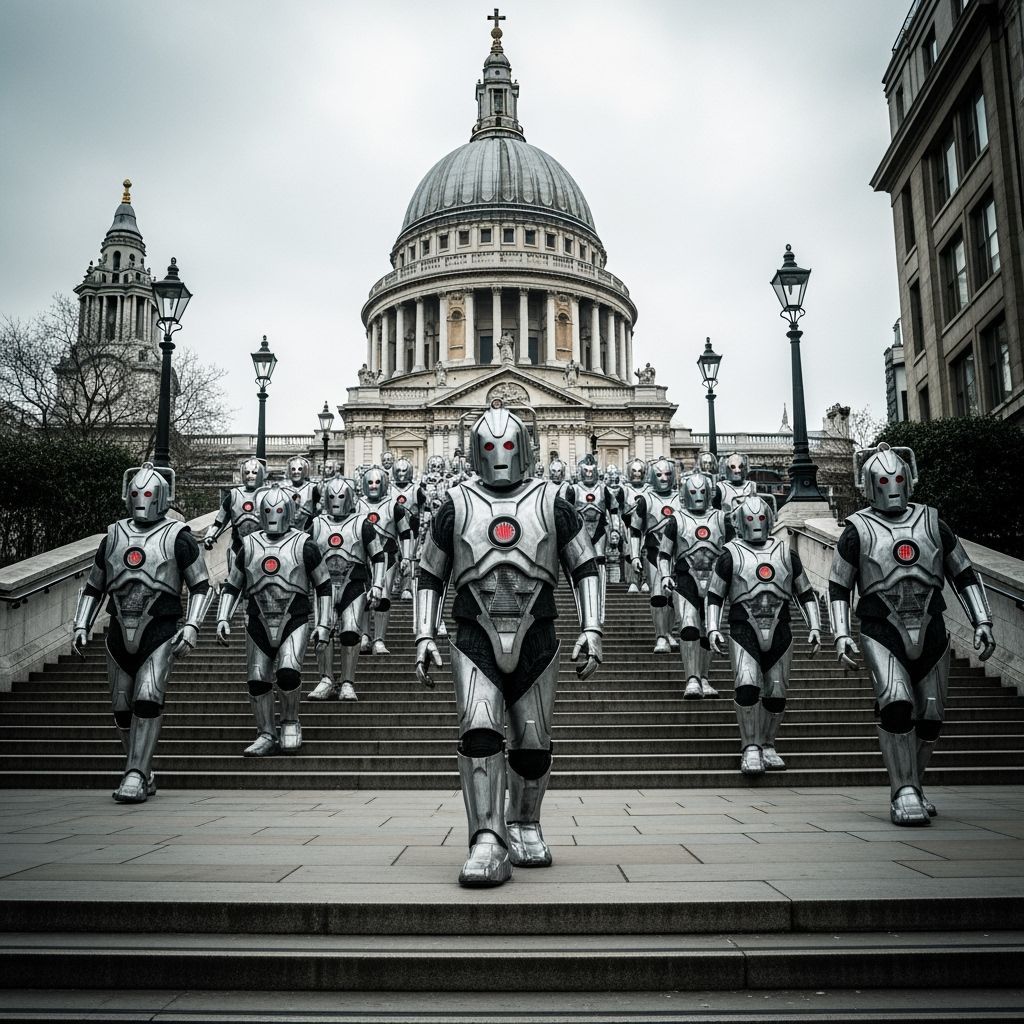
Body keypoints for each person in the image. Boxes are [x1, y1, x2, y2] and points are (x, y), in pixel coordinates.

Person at [414, 400, 602, 887]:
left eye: (509, 444)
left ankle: (524, 821)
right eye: (491, 445)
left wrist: (593, 629)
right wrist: (423, 633)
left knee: (533, 739)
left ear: (526, 448)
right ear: (475, 450)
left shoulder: (553, 502)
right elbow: (429, 574)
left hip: (538, 631)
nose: (500, 454)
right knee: (479, 728)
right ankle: (486, 837)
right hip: (473, 631)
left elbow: (585, 567)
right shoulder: (453, 505)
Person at [828, 443, 995, 825]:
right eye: (884, 480)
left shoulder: (933, 522)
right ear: (869, 484)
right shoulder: (856, 530)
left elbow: (964, 573)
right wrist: (840, 634)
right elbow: (838, 585)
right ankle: (902, 789)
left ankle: (914, 785)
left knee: (932, 714)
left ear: (909, 479)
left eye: (898, 478)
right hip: (880, 628)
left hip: (931, 626)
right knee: (896, 701)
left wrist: (982, 620)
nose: (892, 487)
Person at [72, 463, 212, 802]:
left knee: (148, 698)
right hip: (119, 628)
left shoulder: (178, 536)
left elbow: (202, 586)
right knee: (121, 708)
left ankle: (134, 773)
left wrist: (192, 626)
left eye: (148, 493)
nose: (141, 499)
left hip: (159, 629)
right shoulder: (113, 536)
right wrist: (81, 623)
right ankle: (142, 767)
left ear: (162, 496)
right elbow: (94, 586)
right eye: (136, 493)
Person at [706, 496, 822, 775]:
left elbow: (805, 592)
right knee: (746, 684)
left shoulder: (786, 553)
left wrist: (815, 626)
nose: (756, 524)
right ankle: (750, 747)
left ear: (769, 520)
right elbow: (714, 595)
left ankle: (768, 743)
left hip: (780, 626)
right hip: (743, 626)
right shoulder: (729, 554)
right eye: (750, 519)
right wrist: (712, 627)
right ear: (740, 522)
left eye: (760, 519)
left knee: (777, 689)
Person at [216, 485, 332, 756]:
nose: (273, 515)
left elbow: (324, 584)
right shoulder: (249, 544)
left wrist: (324, 623)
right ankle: (266, 731)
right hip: (257, 617)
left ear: (289, 512)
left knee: (288, 670)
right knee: (257, 678)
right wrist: (223, 616)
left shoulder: (305, 544)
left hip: (295, 617)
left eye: (279, 510)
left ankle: (291, 721)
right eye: (268, 510)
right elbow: (233, 584)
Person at [307, 477, 386, 702]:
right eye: (331, 496)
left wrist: (378, 585)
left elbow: (379, 556)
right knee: (323, 631)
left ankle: (348, 682)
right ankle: (326, 679)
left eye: (341, 496)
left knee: (350, 631)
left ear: (350, 498)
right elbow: (303, 556)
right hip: (324, 586)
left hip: (354, 582)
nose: (336, 501)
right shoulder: (317, 524)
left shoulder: (362, 524)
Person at [658, 470, 728, 699]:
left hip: (715, 582)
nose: (698, 496)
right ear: (686, 493)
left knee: (710, 629)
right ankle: (691, 678)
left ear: (709, 493)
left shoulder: (721, 518)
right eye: (693, 492)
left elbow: (734, 552)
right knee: (689, 626)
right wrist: (665, 575)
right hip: (685, 578)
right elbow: (664, 554)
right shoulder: (676, 520)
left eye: (702, 492)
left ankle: (704, 677)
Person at [355, 465, 414, 655]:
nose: (373, 486)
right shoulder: (356, 505)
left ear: (384, 484)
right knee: (363, 596)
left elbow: (405, 533)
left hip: (388, 556)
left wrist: (407, 556)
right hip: (363, 558)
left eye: (377, 482)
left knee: (383, 596)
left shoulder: (393, 505)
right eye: (370, 482)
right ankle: (364, 635)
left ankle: (379, 639)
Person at [628, 457, 683, 652]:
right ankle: (660, 635)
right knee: (658, 594)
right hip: (654, 553)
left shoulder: (681, 498)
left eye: (668, 474)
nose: (664, 478)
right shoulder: (646, 499)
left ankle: (668, 631)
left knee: (673, 597)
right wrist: (634, 555)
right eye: (659, 474)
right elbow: (635, 530)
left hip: (678, 555)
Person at [565, 458, 621, 623]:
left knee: (600, 565)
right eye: (586, 471)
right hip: (579, 531)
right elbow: (567, 514)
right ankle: (583, 611)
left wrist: (615, 530)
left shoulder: (604, 490)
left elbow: (614, 511)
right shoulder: (573, 490)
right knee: (580, 566)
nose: (589, 474)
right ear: (580, 471)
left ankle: (600, 611)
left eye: (591, 471)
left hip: (599, 530)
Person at [203, 458, 267, 567]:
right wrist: (210, 536)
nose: (250, 475)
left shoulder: (269, 495)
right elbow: (219, 521)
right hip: (237, 546)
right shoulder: (233, 495)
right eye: (247, 472)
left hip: (263, 547)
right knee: (235, 579)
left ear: (261, 474)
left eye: (255, 472)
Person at [283, 455, 318, 531]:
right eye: (293, 469)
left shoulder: (313, 488)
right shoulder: (284, 491)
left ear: (305, 470)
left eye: (300, 469)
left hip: (309, 529)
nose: (296, 472)